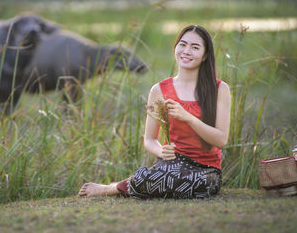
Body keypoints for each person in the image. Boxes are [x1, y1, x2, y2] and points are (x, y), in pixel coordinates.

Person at [78, 25, 231, 199]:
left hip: (205, 171)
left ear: (204, 55)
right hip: (170, 165)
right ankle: (124, 185)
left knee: (189, 182)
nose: (186, 51)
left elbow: (220, 140)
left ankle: (115, 188)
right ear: (176, 47)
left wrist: (188, 117)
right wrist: (161, 152)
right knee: (158, 177)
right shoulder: (159, 90)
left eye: (195, 47)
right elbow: (149, 139)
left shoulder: (219, 89)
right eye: (183, 44)